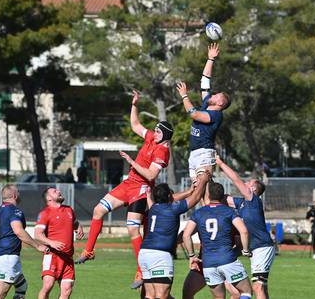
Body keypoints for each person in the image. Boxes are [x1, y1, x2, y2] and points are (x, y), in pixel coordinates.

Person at [76, 89, 173, 290]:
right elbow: (135, 124)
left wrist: (130, 161)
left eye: (157, 131)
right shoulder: (150, 139)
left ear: (164, 135)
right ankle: (89, 251)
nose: (154, 132)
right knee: (98, 210)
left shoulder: (162, 150)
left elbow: (151, 176)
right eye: (154, 130)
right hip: (128, 184)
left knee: (132, 228)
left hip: (142, 188)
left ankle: (140, 270)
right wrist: (134, 104)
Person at [139, 171, 210, 299]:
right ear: (169, 196)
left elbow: (167, 198)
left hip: (144, 254)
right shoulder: (172, 208)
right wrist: (203, 181)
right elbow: (196, 198)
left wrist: (189, 191)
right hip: (160, 256)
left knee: (150, 295)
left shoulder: (154, 208)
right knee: (162, 295)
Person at [216, 157, 275, 299]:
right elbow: (222, 198)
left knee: (258, 286)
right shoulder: (243, 202)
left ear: (253, 189)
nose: (246, 182)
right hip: (254, 248)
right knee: (261, 287)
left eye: (249, 182)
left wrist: (220, 163)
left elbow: (236, 180)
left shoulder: (253, 199)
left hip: (262, 247)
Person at [183, 182, 252, 299]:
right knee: (246, 292)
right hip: (227, 260)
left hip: (208, 264)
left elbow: (186, 235)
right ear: (223, 196)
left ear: (208, 196)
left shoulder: (199, 213)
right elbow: (244, 231)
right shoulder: (229, 212)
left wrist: (191, 255)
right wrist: (245, 250)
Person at [176, 43, 231, 180]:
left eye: (217, 95)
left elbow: (193, 114)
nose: (213, 94)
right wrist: (210, 59)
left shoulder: (216, 115)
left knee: (204, 189)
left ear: (220, 103)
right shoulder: (207, 103)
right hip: (194, 153)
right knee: (196, 190)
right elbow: (205, 80)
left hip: (204, 153)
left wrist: (184, 96)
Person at [0, 184, 48, 299]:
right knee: (0, 294)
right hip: (7, 257)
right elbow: (19, 231)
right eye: (19, 192)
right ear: (15, 195)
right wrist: (37, 246)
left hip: (0, 255)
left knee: (22, 286)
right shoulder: (14, 211)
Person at [35, 187, 84, 299]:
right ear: (49, 198)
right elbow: (38, 234)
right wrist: (51, 243)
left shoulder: (69, 209)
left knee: (67, 290)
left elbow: (75, 223)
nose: (59, 191)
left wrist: (79, 228)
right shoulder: (45, 213)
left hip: (68, 258)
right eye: (54, 191)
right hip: (53, 256)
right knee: (48, 286)